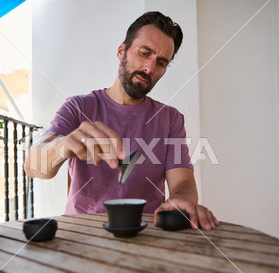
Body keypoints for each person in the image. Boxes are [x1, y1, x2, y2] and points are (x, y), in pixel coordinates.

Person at [25, 11, 219, 230]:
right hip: (82, 234)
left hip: (146, 234)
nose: (150, 68)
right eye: (145, 53)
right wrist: (62, 146)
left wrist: (180, 198)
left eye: (161, 62)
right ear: (121, 51)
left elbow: (183, 182)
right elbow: (34, 167)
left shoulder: (170, 118)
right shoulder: (78, 107)